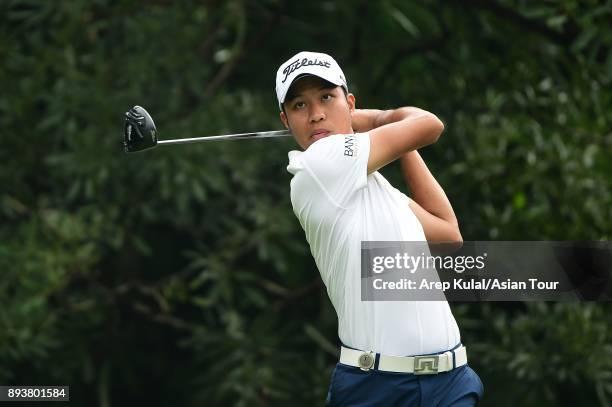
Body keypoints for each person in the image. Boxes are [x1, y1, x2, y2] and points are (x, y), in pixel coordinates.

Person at [275, 51, 484, 406]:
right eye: (299, 105)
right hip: (378, 389)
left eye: (327, 97)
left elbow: (448, 234)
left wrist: (388, 136)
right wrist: (380, 120)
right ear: (285, 121)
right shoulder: (317, 168)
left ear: (349, 102)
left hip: (451, 382)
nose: (316, 115)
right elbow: (429, 125)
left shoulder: (375, 187)